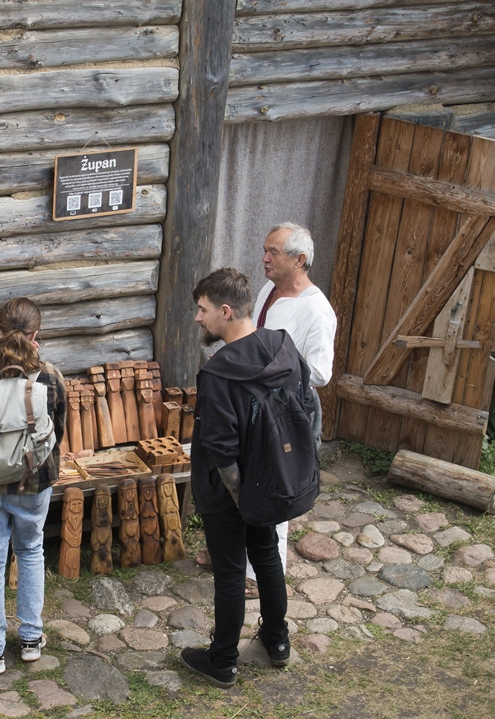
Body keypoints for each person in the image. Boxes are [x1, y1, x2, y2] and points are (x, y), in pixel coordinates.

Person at [180, 268, 308, 688]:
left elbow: (220, 450)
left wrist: (241, 500)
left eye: (203, 310)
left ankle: (223, 661)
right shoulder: (282, 346)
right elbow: (308, 408)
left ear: (226, 310)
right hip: (272, 481)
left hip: (230, 493)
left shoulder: (219, 374)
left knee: (232, 572)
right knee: (267, 554)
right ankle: (276, 640)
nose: (199, 318)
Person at [196, 222, 336, 596]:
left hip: (285, 414)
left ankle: (259, 577)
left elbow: (320, 372)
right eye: (265, 250)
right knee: (240, 477)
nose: (265, 258)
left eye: (274, 252)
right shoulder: (267, 292)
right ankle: (231, 550)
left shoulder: (316, 310)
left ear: (300, 259)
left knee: (275, 484)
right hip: (251, 408)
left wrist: (274, 373)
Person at [0, 297, 66, 675]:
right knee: (31, 551)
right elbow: (60, 431)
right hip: (32, 481)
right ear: (37, 335)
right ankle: (32, 640)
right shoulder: (50, 376)